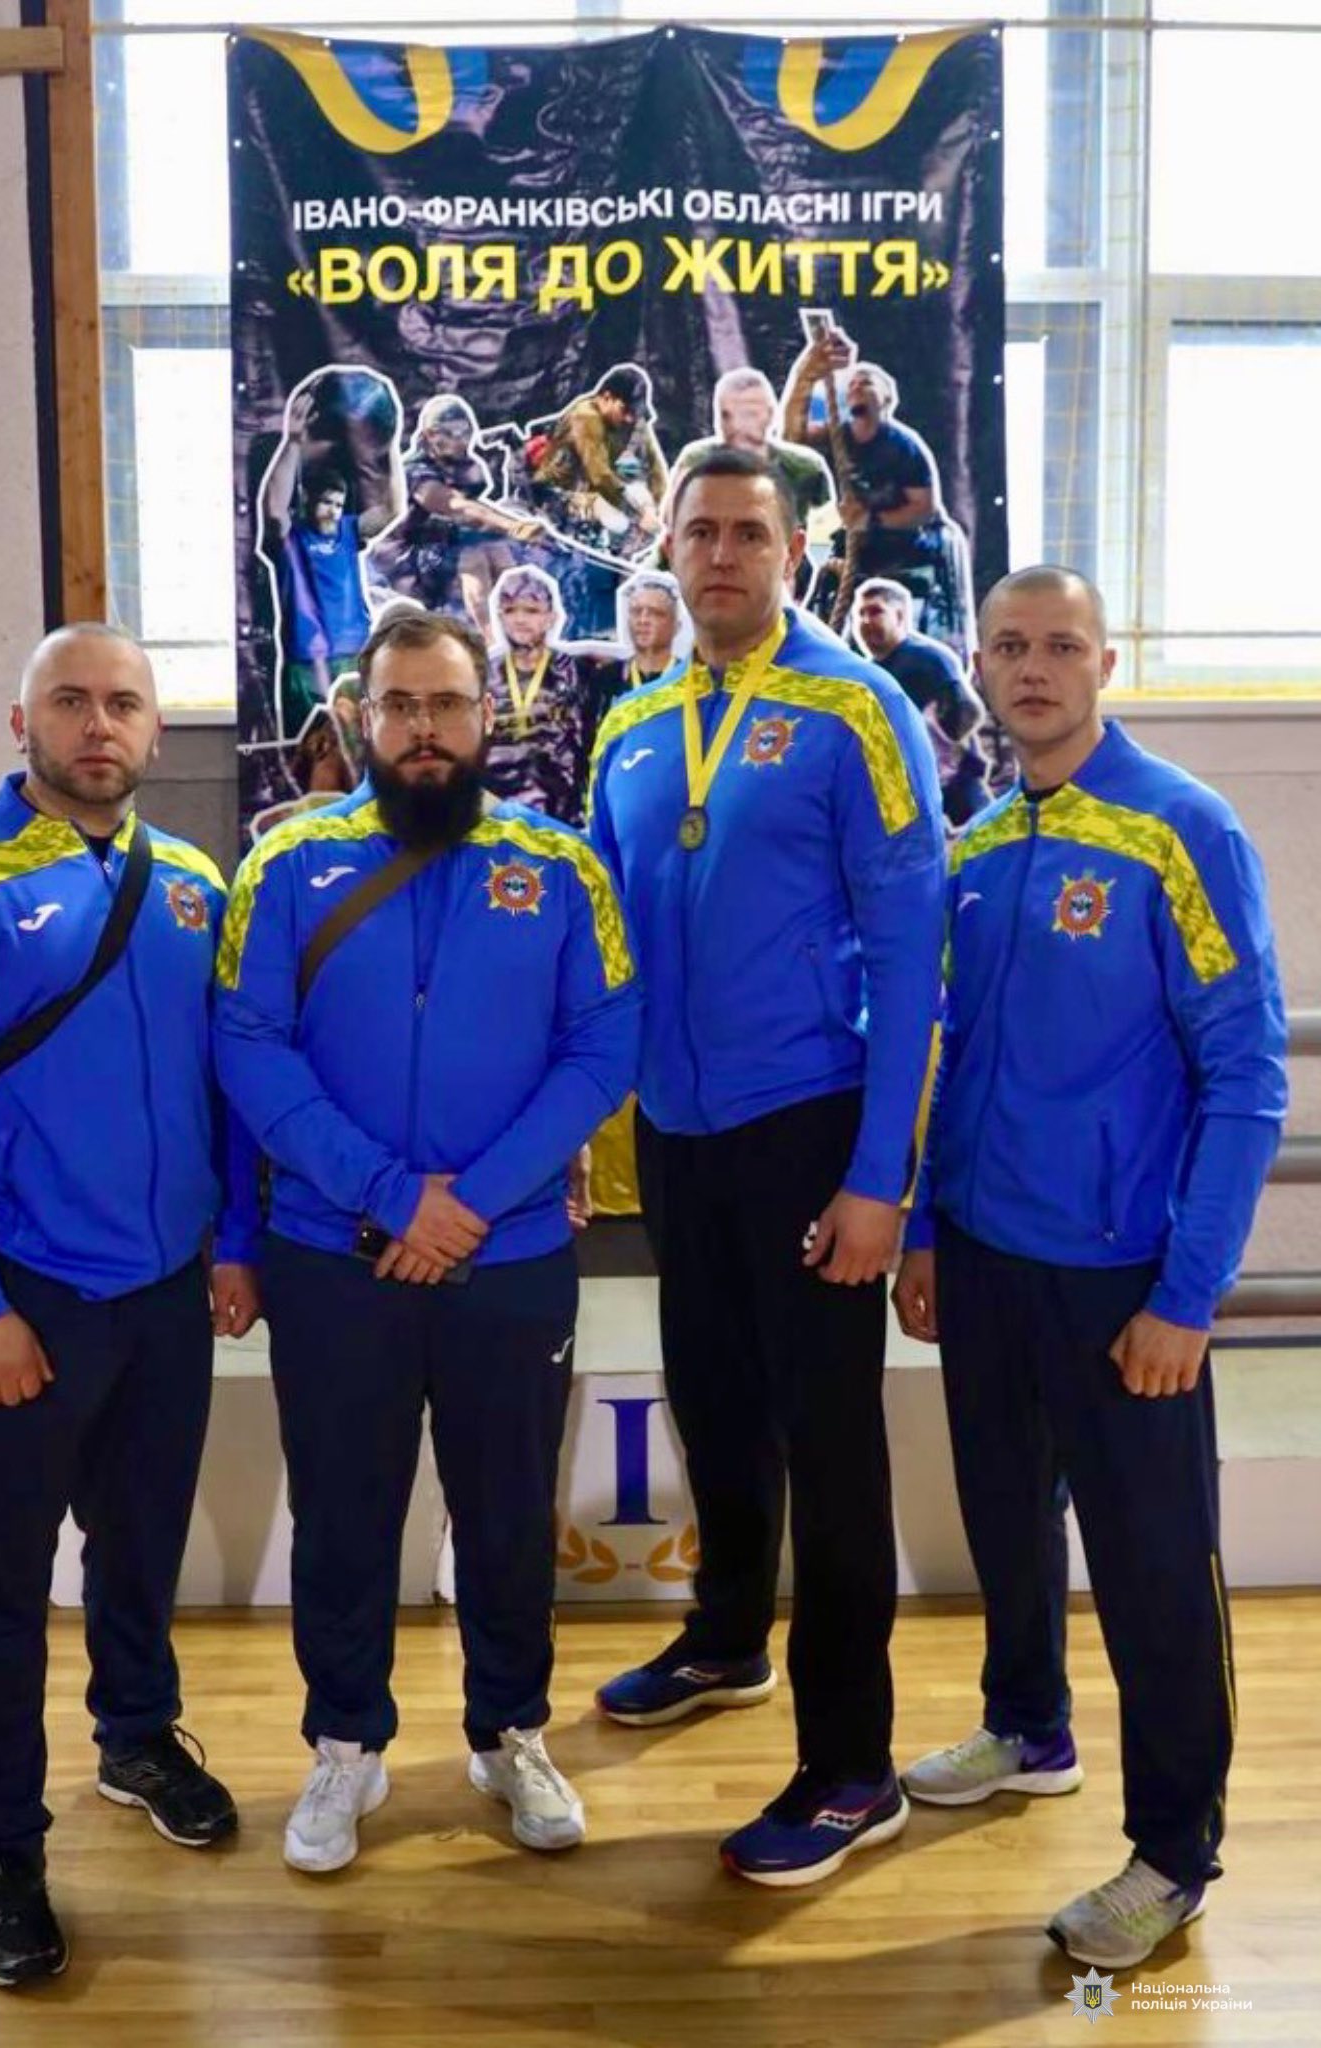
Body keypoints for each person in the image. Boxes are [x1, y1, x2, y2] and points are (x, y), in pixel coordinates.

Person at [0, 624, 259, 1990]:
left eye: (123, 703)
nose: (99, 724)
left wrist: (233, 1243)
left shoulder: (194, 884)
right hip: (19, 1300)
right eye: (71, 701)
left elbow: (226, 1084)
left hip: (164, 1295)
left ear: (155, 730)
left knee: (138, 1548)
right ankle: (4, 1843)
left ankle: (136, 1735)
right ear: (20, 722)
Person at [893, 566, 1287, 1969]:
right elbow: (952, 1055)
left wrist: (1187, 1294)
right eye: (1010, 645)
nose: (1034, 667)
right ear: (981, 666)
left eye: (1062, 644)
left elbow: (1246, 1078)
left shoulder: (1182, 828)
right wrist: (927, 1226)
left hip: (1125, 1281)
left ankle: (1174, 1852)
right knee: (1007, 1521)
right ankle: (1028, 1727)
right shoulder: (982, 842)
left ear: (1106, 663)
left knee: (1154, 1574)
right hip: (985, 1259)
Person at [214, 609, 640, 1876]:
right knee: (343, 1512)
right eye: (399, 705)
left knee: (507, 1511)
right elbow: (248, 1044)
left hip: (508, 1260)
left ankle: (510, 1730)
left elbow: (603, 1046)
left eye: (447, 703)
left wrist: (472, 1201)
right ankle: (346, 1740)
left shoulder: (561, 866)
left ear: (485, 715)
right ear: (361, 716)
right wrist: (393, 1195)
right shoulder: (285, 866)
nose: (424, 729)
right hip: (333, 1253)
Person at [587, 448, 946, 1885]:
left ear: (794, 550)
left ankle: (854, 1766)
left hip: (809, 1124)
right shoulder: (632, 724)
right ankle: (730, 1634)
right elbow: (604, 954)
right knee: (714, 1401)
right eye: (701, 531)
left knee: (829, 1440)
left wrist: (880, 1177)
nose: (723, 554)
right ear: (668, 548)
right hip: (677, 1134)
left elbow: (914, 953)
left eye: (750, 532)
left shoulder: (858, 710)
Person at [783, 329, 974, 652]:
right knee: (827, 586)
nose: (857, 385)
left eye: (867, 382)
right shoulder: (839, 437)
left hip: (909, 543)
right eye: (853, 383)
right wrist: (806, 375)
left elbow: (922, 507)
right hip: (861, 544)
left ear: (886, 399)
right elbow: (792, 437)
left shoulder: (904, 447)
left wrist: (872, 520)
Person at [367, 395, 541, 635]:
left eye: (465, 431)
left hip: (440, 544)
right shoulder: (415, 471)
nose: (461, 440)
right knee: (473, 555)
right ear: (430, 435)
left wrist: (512, 450)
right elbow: (456, 506)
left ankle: (514, 626)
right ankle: (490, 639)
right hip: (403, 560)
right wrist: (511, 525)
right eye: (452, 432)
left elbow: (476, 502)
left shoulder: (459, 464)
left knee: (499, 551)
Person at [261, 458, 401, 734]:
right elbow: (275, 512)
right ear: (306, 499)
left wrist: (393, 455)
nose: (333, 512)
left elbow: (393, 511)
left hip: (352, 651)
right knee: (310, 740)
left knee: (356, 737)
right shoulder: (293, 536)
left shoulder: (348, 530)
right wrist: (291, 444)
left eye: (339, 505)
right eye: (327, 503)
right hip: (305, 657)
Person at [854, 578, 991, 826]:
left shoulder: (928, 659)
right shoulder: (866, 674)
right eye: (860, 614)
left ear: (899, 616)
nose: (866, 621)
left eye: (875, 612)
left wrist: (934, 746)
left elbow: (967, 712)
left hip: (955, 789)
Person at [482, 567, 607, 823]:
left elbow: (595, 746)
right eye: (510, 610)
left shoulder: (578, 672)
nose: (520, 619)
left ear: (551, 617)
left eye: (531, 610)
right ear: (500, 617)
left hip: (562, 819)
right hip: (496, 819)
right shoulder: (482, 676)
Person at [670, 365, 833, 544]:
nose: (736, 425)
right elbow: (671, 521)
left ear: (771, 415)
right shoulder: (697, 460)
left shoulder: (804, 467)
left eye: (748, 414)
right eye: (725, 415)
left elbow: (829, 527)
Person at [529, 364, 668, 559]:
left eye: (634, 413)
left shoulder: (633, 423)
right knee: (619, 522)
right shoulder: (585, 416)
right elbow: (599, 475)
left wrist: (659, 512)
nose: (629, 419)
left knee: (640, 493)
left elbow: (656, 470)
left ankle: (625, 545)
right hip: (558, 494)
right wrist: (638, 515)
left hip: (600, 491)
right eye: (625, 410)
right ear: (607, 398)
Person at [588, 572, 686, 723]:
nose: (643, 620)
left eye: (655, 613)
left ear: (676, 627)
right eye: (636, 612)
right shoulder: (605, 678)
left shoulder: (690, 679)